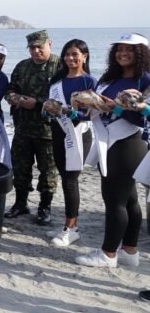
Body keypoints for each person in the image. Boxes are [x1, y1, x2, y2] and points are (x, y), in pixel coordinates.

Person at [75, 33, 150, 267]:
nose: (122, 54)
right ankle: (129, 251)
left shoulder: (145, 80)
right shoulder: (110, 78)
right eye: (119, 49)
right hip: (106, 141)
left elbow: (144, 117)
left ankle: (108, 254)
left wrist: (118, 108)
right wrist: (79, 106)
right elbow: (95, 109)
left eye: (129, 49)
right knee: (129, 200)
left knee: (114, 200)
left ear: (141, 53)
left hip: (128, 143)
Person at [40, 39, 96, 247]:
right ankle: (70, 224)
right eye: (67, 54)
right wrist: (48, 109)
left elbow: (92, 113)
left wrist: (69, 112)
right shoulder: (57, 81)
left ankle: (70, 229)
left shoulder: (89, 82)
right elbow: (48, 108)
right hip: (58, 132)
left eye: (75, 54)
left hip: (78, 134)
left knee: (71, 180)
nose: (71, 58)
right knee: (64, 178)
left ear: (84, 56)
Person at [4, 30, 61, 225]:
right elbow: (10, 89)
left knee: (48, 172)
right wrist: (13, 98)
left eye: (40, 47)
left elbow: (66, 99)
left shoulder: (59, 66)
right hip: (22, 128)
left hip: (49, 131)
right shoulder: (22, 66)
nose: (36, 51)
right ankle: (21, 203)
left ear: (49, 44)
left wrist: (36, 104)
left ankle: (44, 208)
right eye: (32, 48)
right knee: (20, 168)